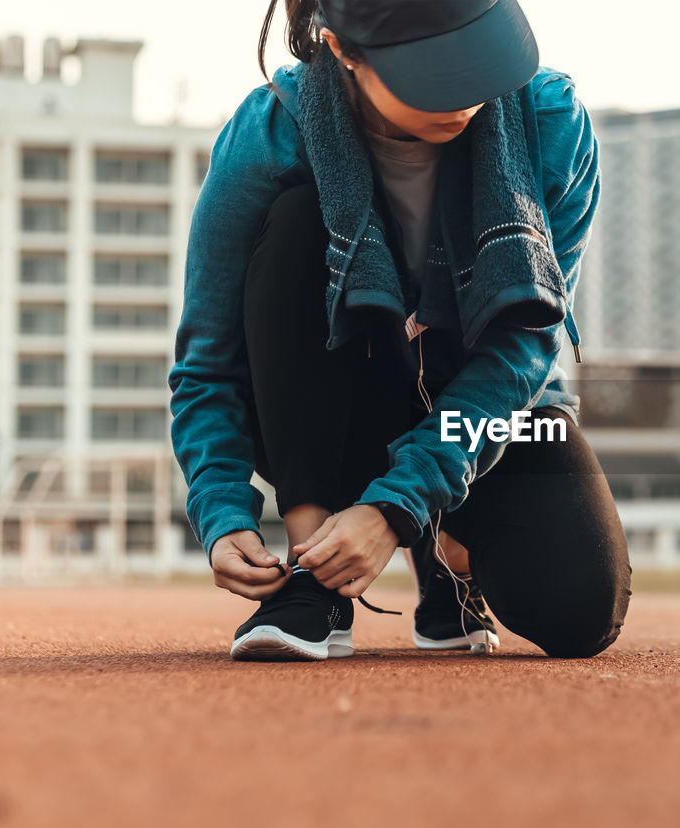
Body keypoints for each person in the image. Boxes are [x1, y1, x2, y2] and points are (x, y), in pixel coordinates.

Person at [167, 0, 631, 661]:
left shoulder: (550, 120)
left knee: (579, 611)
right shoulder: (271, 128)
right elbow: (207, 358)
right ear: (343, 50)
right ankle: (313, 564)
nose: (468, 90)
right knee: (298, 219)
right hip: (339, 408)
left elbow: (519, 355)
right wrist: (218, 508)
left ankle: (449, 557)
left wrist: (396, 507)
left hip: (499, 412)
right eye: (434, 69)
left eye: (478, 52)